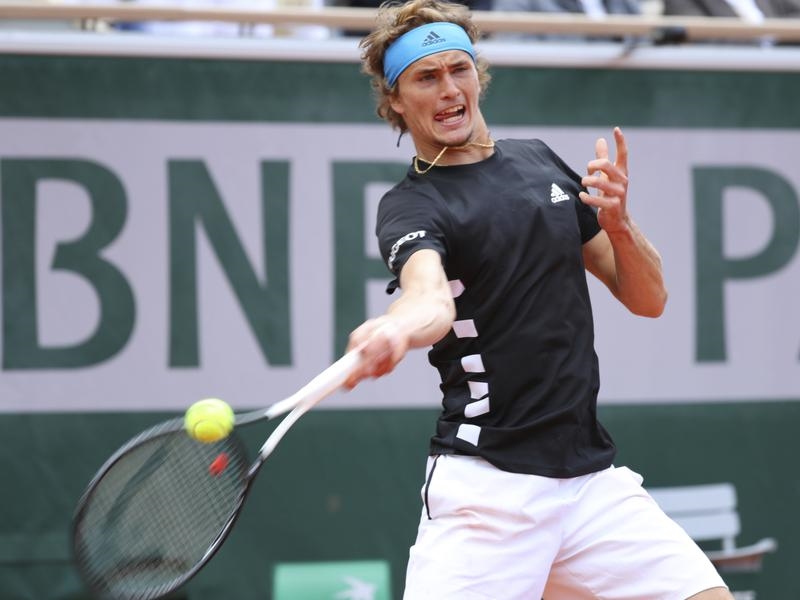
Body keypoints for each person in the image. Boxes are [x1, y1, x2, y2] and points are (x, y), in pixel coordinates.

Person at [344, 0, 735, 598]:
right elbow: (429, 298)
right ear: (395, 99)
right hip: (489, 494)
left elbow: (649, 298)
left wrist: (621, 225)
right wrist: (397, 328)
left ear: (477, 76)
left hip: (590, 482)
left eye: (459, 69)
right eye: (426, 77)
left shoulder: (539, 161)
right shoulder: (412, 206)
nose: (448, 90)